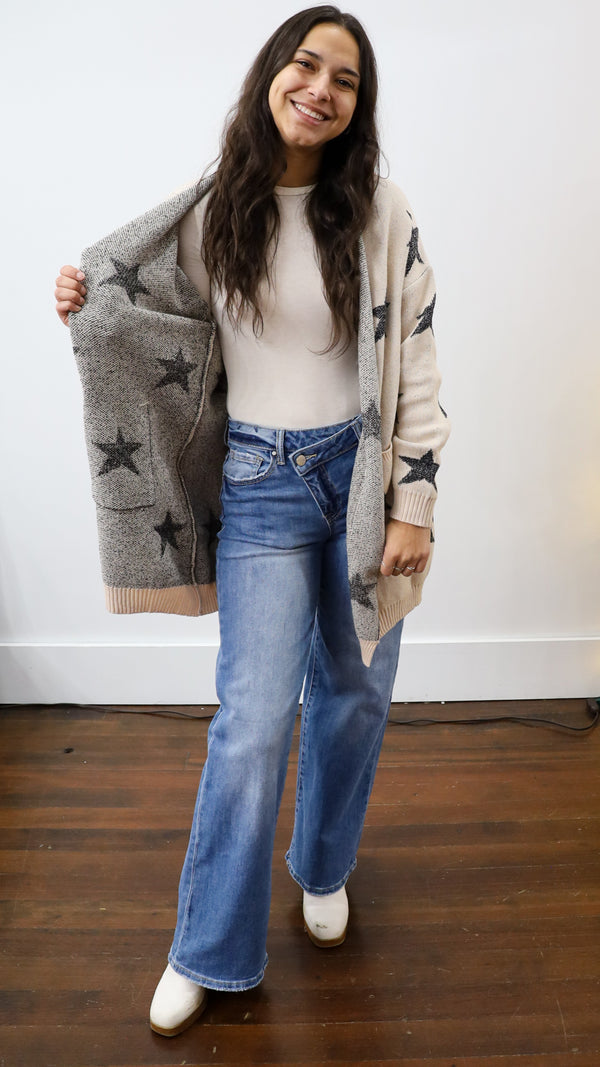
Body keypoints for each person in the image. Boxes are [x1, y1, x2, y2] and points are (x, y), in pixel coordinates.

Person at [55, 5, 449, 1037]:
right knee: (254, 721)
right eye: (305, 65)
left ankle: (322, 865)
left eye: (345, 79)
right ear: (272, 73)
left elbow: (416, 357)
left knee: (355, 695)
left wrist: (413, 502)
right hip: (262, 486)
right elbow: (133, 309)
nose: (321, 88)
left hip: (358, 479)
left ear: (360, 105)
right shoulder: (211, 210)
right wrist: (83, 297)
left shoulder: (382, 211)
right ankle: (207, 946)